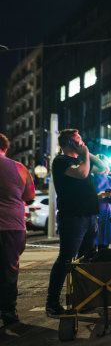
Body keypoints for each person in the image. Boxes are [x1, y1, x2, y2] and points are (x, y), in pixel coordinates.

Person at [45, 129, 107, 318]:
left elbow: (103, 167)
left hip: (89, 217)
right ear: (69, 143)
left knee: (86, 260)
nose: (82, 142)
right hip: (73, 218)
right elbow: (82, 174)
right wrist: (84, 155)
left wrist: (87, 153)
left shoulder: (82, 160)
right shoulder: (61, 161)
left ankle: (84, 299)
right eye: (78, 140)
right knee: (66, 260)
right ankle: (52, 303)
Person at [0, 134, 35, 326]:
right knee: (9, 269)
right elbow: (29, 196)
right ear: (5, 147)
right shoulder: (19, 168)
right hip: (12, 226)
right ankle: (8, 311)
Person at [93, 155, 111, 250]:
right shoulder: (90, 178)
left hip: (107, 214)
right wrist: (98, 196)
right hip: (94, 214)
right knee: (91, 245)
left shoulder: (110, 180)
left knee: (104, 246)